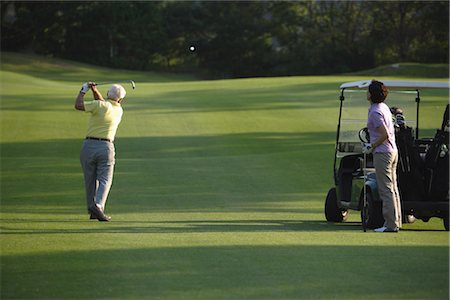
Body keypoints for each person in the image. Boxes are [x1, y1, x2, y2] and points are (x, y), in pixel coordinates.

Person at [75, 82, 125, 221]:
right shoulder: (118, 110)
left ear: (108, 94)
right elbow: (103, 103)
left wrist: (83, 90)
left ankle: (93, 209)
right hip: (106, 147)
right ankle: (97, 206)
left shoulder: (99, 106)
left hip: (88, 146)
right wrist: (95, 90)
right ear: (120, 100)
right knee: (105, 179)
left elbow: (79, 105)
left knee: (90, 180)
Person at [362, 80, 402, 232]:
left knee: (385, 189)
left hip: (383, 153)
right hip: (392, 151)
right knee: (392, 188)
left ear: (371, 95)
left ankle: (390, 225)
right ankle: (395, 222)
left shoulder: (375, 112)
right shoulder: (383, 107)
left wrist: (370, 146)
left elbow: (384, 134)